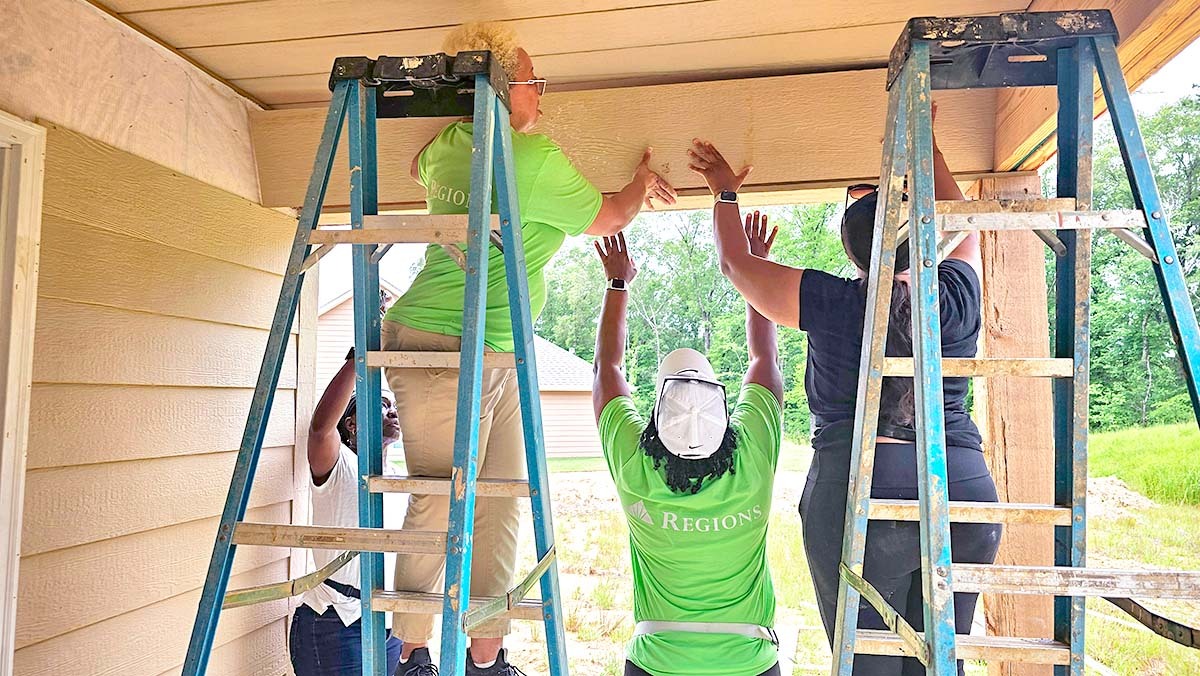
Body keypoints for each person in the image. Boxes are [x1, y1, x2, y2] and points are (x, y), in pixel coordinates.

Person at [383, 21, 677, 676]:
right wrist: (641, 178)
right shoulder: (533, 160)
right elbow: (609, 218)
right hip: (444, 341)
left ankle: (485, 655)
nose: (539, 94)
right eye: (532, 82)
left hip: (497, 347)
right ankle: (410, 651)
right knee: (441, 492)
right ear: (499, 88)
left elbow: (415, 165)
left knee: (502, 495)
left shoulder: (452, 144)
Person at [688, 105, 1002, 675]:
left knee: (869, 666)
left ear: (855, 252)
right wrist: (924, 143)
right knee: (940, 663)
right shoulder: (955, 296)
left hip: (863, 490)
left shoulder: (835, 304)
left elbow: (737, 265)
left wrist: (725, 190)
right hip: (963, 493)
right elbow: (964, 226)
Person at [591, 228, 785, 676]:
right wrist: (753, 265)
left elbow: (607, 368)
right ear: (721, 409)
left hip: (655, 661)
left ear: (657, 415)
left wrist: (617, 282)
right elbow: (764, 361)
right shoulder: (752, 457)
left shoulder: (635, 465)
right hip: (749, 662)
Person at [290, 347, 404, 676]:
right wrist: (359, 357)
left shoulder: (398, 479)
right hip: (335, 622)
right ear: (352, 424)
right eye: (382, 408)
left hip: (387, 623)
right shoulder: (339, 465)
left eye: (394, 408)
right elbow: (321, 429)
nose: (393, 414)